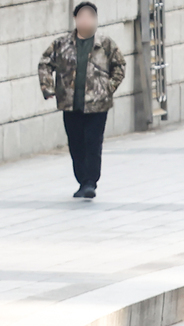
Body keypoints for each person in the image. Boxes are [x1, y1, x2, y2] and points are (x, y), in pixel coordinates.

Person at [38, 2, 126, 199]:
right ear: (76, 20)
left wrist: (109, 88)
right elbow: (45, 64)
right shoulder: (61, 44)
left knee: (93, 143)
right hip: (70, 104)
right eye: (82, 17)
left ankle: (90, 182)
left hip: (98, 105)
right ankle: (82, 179)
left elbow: (119, 65)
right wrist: (48, 88)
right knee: (76, 143)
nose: (86, 20)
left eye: (90, 16)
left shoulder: (105, 44)